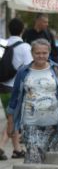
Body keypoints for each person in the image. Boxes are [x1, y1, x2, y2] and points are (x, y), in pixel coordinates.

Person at [6, 39, 58, 163]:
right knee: (33, 160)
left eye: (44, 53)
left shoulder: (56, 69)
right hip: (30, 123)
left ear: (49, 53)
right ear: (32, 53)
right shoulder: (23, 72)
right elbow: (15, 98)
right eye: (37, 53)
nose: (41, 56)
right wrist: (10, 121)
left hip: (55, 124)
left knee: (53, 162)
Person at [0, 18, 32, 159]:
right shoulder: (25, 47)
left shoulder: (2, 44)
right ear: (22, 30)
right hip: (17, 88)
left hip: (2, 87)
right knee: (12, 119)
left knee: (12, 118)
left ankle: (17, 150)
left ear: (8, 29)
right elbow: (29, 68)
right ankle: (1, 147)